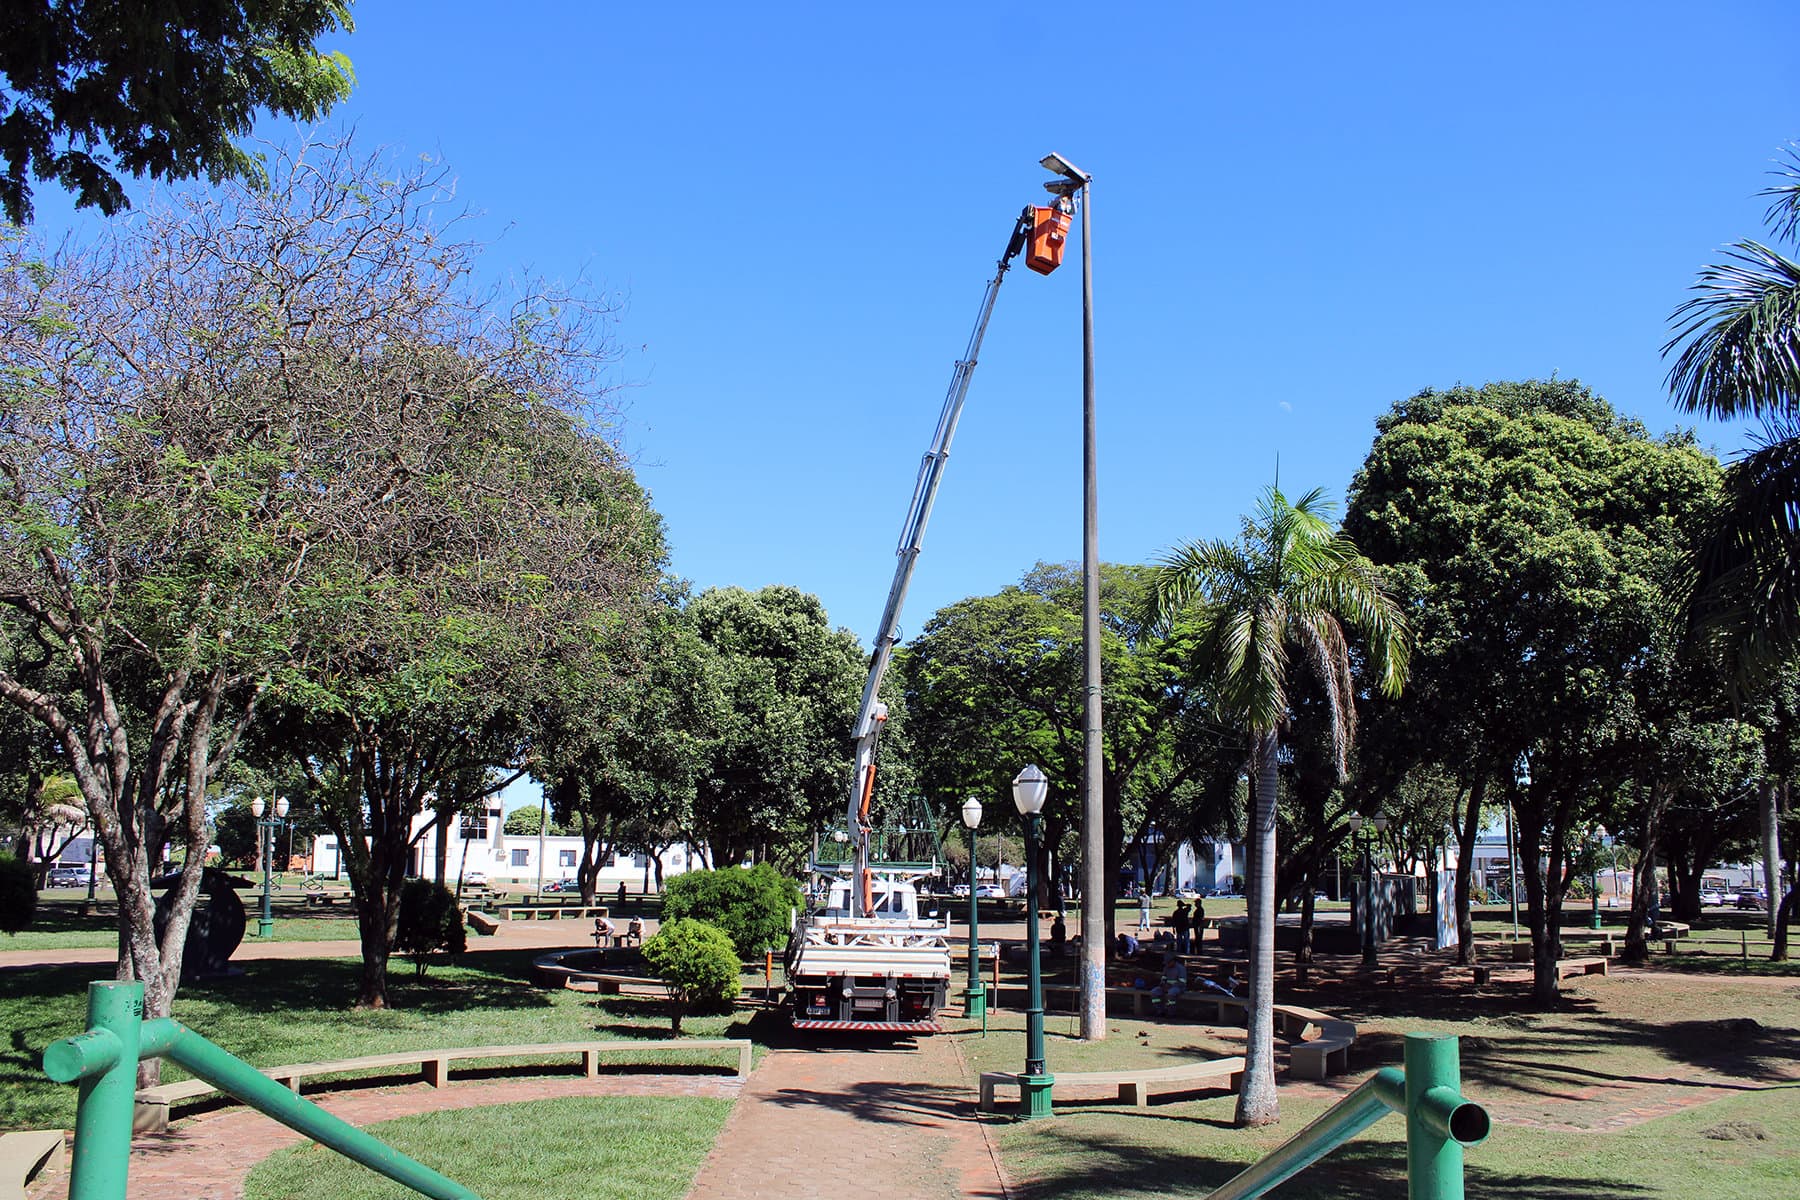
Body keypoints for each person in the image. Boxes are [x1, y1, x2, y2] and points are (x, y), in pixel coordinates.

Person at [1150, 952, 1188, 1017]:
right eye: (1166, 963)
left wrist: (1171, 986)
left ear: (1173, 961)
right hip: (1166, 987)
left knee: (1171, 993)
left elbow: (1182, 981)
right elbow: (1164, 977)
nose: (1167, 964)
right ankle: (1160, 1011)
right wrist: (1162, 984)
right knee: (1154, 992)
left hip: (1178, 988)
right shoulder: (1166, 968)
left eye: (1168, 963)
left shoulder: (1181, 968)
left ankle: (1171, 1012)